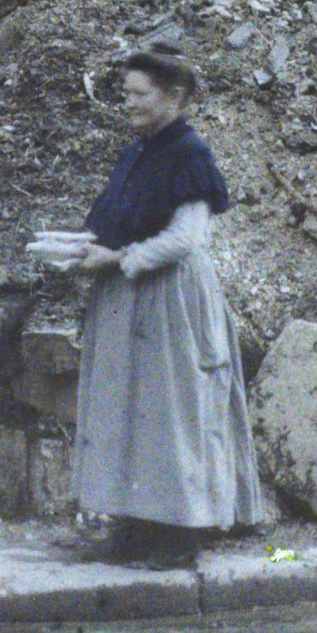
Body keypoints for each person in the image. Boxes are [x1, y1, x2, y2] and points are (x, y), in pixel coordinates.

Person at [61, 40, 270, 567]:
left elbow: (186, 239)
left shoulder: (190, 153)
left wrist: (115, 259)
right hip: (127, 297)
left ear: (173, 97)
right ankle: (132, 526)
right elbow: (120, 221)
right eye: (125, 92)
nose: (127, 102)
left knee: (171, 413)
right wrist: (86, 248)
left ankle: (179, 535)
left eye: (138, 93)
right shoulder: (137, 151)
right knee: (127, 409)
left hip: (170, 297)